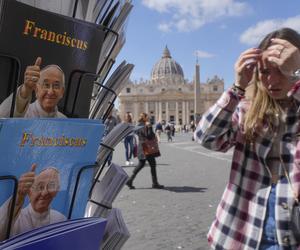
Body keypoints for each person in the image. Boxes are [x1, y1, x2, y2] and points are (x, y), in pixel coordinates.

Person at [195, 27, 300, 249]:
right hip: (241, 229)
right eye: (264, 71)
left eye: (282, 69)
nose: (272, 80)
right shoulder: (247, 109)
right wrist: (237, 87)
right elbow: (207, 137)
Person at [0, 164, 66, 240]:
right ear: (28, 191)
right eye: (40, 186)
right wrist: (18, 197)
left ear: (57, 191)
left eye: (51, 186)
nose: (45, 193)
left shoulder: (61, 219)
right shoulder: (15, 220)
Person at [0, 57, 66, 118]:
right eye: (46, 85)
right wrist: (25, 89)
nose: (50, 92)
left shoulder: (65, 121)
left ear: (62, 92)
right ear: (36, 89)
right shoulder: (24, 114)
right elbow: (2, 118)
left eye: (56, 85)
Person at [126, 112, 164, 189]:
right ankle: (154, 183)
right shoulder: (145, 125)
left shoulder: (138, 125)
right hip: (146, 147)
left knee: (141, 164)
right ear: (145, 118)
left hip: (141, 146)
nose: (149, 118)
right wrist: (150, 127)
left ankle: (130, 180)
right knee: (152, 164)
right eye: (148, 117)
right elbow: (149, 136)